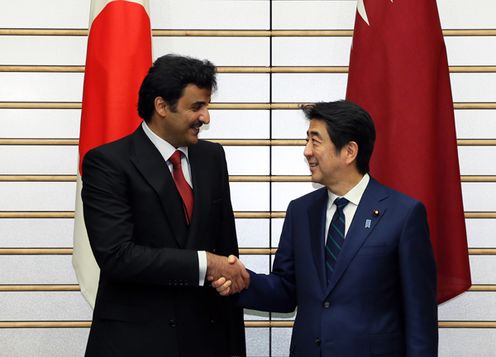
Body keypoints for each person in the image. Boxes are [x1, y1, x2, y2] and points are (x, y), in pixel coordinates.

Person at [213, 100, 438, 357]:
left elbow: (420, 318)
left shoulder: (403, 214)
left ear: (349, 151)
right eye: (307, 140)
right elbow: (286, 291)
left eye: (315, 141)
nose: (307, 151)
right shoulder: (301, 212)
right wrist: (243, 281)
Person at [82, 54, 249, 357]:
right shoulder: (108, 163)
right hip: (135, 344)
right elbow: (118, 256)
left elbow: (226, 249)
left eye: (207, 106)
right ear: (161, 106)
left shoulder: (212, 158)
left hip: (206, 340)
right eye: (197, 107)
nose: (206, 117)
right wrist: (206, 263)